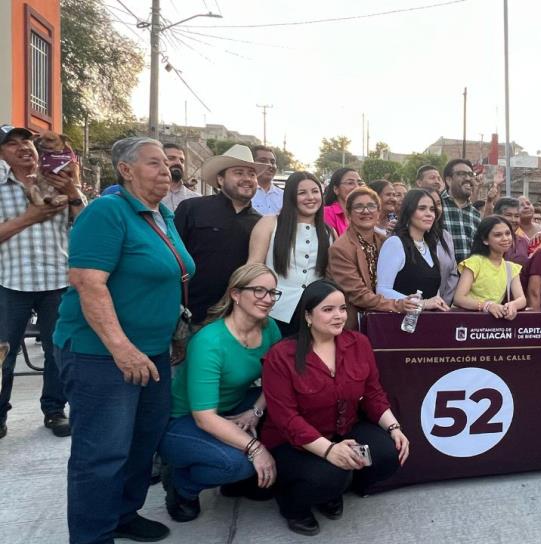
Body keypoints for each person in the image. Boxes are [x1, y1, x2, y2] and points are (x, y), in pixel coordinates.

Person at [54, 136, 196, 543]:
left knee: (141, 441)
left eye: (166, 164)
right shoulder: (107, 212)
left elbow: (170, 277)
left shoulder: (160, 216)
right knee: (102, 452)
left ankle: (122, 514)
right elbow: (87, 282)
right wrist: (122, 348)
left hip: (152, 352)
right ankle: (92, 535)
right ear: (126, 170)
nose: (165, 171)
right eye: (153, 163)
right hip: (100, 354)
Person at [260, 280, 408, 535]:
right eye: (328, 310)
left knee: (388, 454)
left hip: (343, 428)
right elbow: (286, 419)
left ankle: (334, 490)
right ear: (308, 315)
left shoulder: (358, 343)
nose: (339, 316)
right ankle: (293, 504)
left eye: (342, 308)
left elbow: (373, 393)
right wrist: (329, 451)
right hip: (293, 441)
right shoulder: (281, 355)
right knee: (331, 475)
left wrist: (394, 427)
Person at [159, 264, 281, 522]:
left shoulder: (269, 328)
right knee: (237, 462)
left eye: (272, 292)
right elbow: (205, 417)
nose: (268, 299)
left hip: (234, 406)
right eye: (259, 290)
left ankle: (240, 483)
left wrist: (256, 411)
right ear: (235, 294)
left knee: (285, 414)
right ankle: (182, 485)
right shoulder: (209, 342)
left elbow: (277, 379)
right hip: (186, 419)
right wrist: (255, 448)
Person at [0, 124, 84, 440]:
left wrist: (75, 193)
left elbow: (85, 222)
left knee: (57, 351)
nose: (24, 147)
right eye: (12, 144)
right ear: (2, 154)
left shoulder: (59, 181)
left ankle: (54, 410)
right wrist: (29, 218)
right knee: (3, 353)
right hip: (10, 282)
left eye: (27, 141)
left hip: (56, 281)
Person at [175, 144, 266, 327]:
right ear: (220, 179)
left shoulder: (261, 223)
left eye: (252, 174)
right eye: (239, 173)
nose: (247, 179)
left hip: (239, 318)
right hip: (191, 316)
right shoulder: (192, 209)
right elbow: (173, 258)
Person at [247, 171, 333, 336]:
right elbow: (253, 267)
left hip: (315, 314)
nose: (310, 197)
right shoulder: (270, 223)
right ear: (290, 196)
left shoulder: (329, 232)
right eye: (302, 192)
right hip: (273, 310)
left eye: (315, 191)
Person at [328, 187, 419, 329]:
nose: (366, 211)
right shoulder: (340, 249)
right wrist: (398, 304)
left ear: (378, 212)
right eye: (358, 207)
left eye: (371, 206)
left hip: (387, 321)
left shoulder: (387, 241)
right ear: (349, 213)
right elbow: (358, 295)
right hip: (356, 323)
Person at [375, 189, 449, 310]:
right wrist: (421, 303)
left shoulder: (431, 246)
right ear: (409, 212)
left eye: (432, 209)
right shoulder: (395, 243)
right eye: (421, 208)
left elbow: (434, 294)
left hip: (429, 322)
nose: (429, 214)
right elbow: (382, 291)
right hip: (399, 323)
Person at [453, 216, 527, 319]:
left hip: (490, 325)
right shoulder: (475, 262)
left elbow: (522, 299)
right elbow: (459, 298)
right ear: (485, 240)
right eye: (498, 235)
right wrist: (487, 306)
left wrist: (513, 305)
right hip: (465, 321)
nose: (505, 238)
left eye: (508, 233)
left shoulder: (511, 268)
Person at [440, 159, 480, 263]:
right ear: (448, 180)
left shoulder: (475, 214)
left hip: (470, 276)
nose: (468, 178)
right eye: (461, 174)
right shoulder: (436, 207)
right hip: (441, 276)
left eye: (471, 174)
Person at [428, 189, 459, 304]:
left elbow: (453, 273)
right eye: (424, 207)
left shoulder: (446, 236)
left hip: (441, 307)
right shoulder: (401, 238)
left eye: (438, 204)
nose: (435, 209)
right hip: (411, 308)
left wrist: (443, 303)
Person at [322, 167, 362, 237]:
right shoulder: (327, 212)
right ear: (336, 189)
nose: (357, 187)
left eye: (360, 183)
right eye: (350, 183)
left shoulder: (363, 212)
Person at [160, 143, 199, 211]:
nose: (178, 163)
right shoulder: (148, 197)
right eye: (171, 158)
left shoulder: (196, 199)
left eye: (182, 161)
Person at [493, 197, 530, 266]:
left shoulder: (524, 242)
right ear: (496, 216)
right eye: (508, 215)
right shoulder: (490, 241)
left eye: (517, 216)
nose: (513, 220)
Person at [249, 145, 281, 216]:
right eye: (263, 161)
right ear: (251, 163)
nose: (270, 165)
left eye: (272, 162)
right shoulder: (243, 194)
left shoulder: (284, 196)